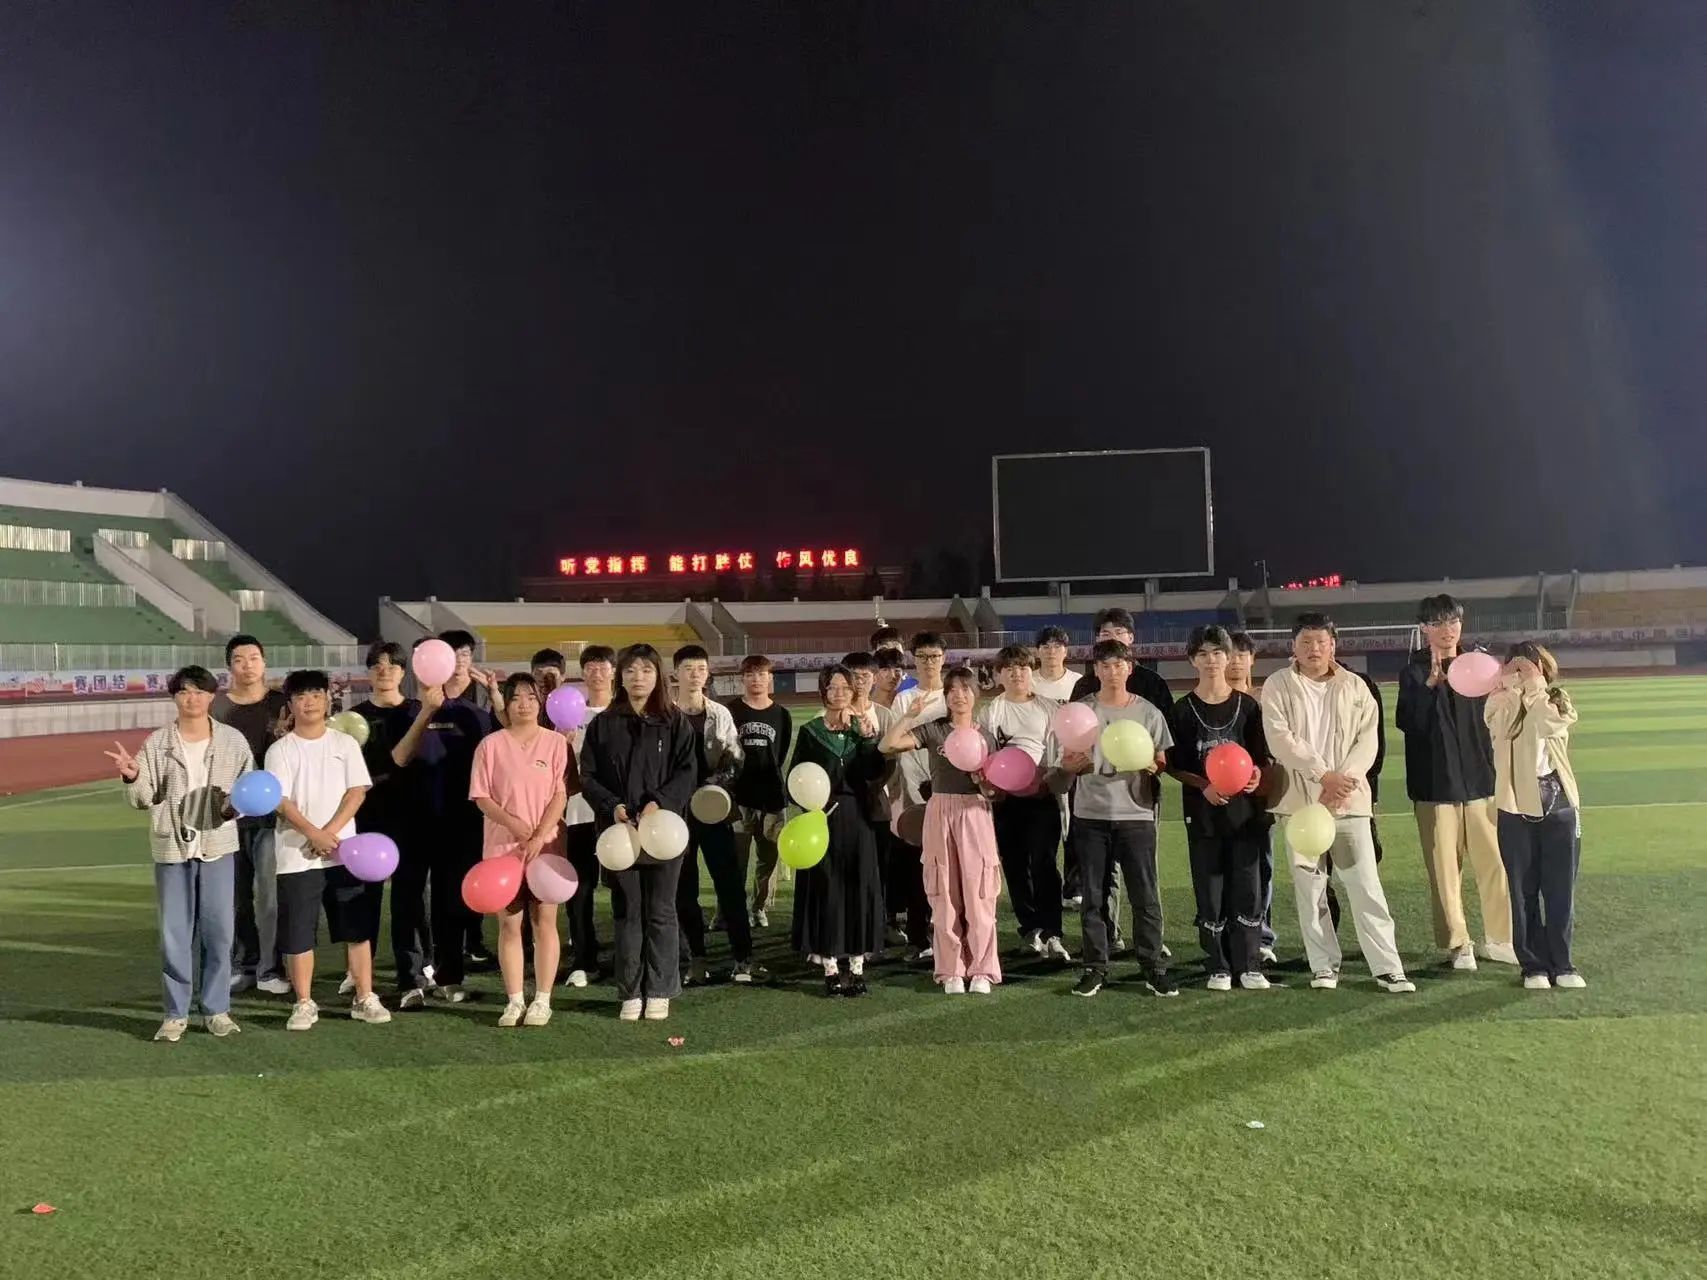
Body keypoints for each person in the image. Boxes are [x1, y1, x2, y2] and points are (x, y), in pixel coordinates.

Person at [1260, 614, 1415, 994]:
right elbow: (1280, 739)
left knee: (1365, 886)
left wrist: (1342, 780)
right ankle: (1323, 967)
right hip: (1301, 806)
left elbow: (1368, 740)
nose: (1313, 649)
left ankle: (1388, 968)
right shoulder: (1278, 684)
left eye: (1321, 641)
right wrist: (1321, 775)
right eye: (1306, 642)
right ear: (1293, 647)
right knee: (1310, 891)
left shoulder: (1355, 685)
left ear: (1333, 645)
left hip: (1349, 801)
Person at [107, 666, 255, 1041]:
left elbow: (248, 790)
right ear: (174, 697)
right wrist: (131, 775)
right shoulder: (158, 743)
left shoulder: (232, 741)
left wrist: (234, 808)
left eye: (199, 692)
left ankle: (216, 1010)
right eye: (184, 692)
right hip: (172, 850)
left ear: (211, 696)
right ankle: (175, 1014)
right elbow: (143, 798)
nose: (192, 699)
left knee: (219, 933)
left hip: (218, 847)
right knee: (174, 936)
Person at [264, 670, 390, 1030]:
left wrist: (329, 835)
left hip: (344, 853)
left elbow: (357, 792)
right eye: (301, 696)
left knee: (356, 929)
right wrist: (312, 833)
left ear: (327, 700)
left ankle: (364, 996)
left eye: (316, 695)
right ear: (290, 705)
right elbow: (280, 800)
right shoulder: (280, 750)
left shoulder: (344, 744)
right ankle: (304, 1002)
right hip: (296, 855)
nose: (310, 703)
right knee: (298, 934)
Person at [1397, 594, 1517, 971]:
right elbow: (1408, 723)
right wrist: (1430, 685)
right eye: (1438, 623)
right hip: (1435, 787)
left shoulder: (1481, 668)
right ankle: (1458, 943)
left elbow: (1498, 722)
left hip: (1482, 783)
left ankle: (1500, 939)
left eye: (1453, 621)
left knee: (1495, 864)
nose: (1447, 630)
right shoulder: (1413, 672)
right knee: (1445, 871)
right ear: (1424, 629)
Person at [580, 644, 698, 1021]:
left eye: (646, 670)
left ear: (658, 675)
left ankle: (661, 988)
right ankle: (631, 990)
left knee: (661, 910)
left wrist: (659, 803)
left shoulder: (674, 721)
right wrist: (612, 805)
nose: (638, 678)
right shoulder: (603, 724)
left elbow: (687, 772)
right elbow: (588, 776)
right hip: (620, 833)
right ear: (621, 676)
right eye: (630, 670)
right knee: (628, 911)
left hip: (664, 832)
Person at [1053, 639, 1176, 998]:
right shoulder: (1081, 711)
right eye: (1104, 666)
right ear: (1096, 670)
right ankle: (1095, 967)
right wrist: (1071, 766)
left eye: (1118, 665)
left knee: (1145, 896)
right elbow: (1068, 760)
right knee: (1093, 897)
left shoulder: (1148, 712)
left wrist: (1153, 766)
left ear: (1129, 668)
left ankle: (1152, 966)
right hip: (1091, 815)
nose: (1111, 672)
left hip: (1136, 814)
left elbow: (1161, 760)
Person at [882, 665, 1003, 994]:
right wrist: (909, 715)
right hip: (940, 811)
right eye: (952, 690)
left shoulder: (986, 736)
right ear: (946, 696)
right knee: (943, 893)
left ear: (975, 694)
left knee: (979, 893)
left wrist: (983, 782)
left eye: (965, 689)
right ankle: (950, 969)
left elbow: (995, 792)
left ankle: (982, 969)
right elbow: (887, 745)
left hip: (975, 813)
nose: (959, 695)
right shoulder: (934, 729)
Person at [1166, 626, 1274, 991]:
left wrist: (1256, 775)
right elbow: (1174, 764)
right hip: (1204, 816)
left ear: (1228, 658)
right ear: (1192, 660)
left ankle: (1250, 963)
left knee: (1248, 888)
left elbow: (1261, 760)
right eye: (1203, 654)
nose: (1211, 660)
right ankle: (1218, 965)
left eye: (1217, 653)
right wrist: (1204, 786)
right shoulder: (1182, 710)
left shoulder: (1249, 707)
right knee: (1210, 890)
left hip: (1244, 815)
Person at [349, 642, 446, 1008]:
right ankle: (362, 978)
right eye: (377, 665)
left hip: (413, 819)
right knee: (365, 901)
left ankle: (412, 977)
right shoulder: (353, 718)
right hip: (368, 819)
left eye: (392, 665)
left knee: (410, 900)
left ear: (404, 672)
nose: (384, 671)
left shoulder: (421, 711)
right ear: (368, 672)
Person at [469, 672, 570, 1026]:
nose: (523, 705)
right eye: (515, 698)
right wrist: (514, 824)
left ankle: (542, 999)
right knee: (510, 925)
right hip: (503, 849)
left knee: (545, 922)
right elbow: (481, 796)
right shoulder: (490, 745)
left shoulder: (555, 743)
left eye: (530, 697)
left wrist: (540, 835)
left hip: (546, 846)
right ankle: (514, 1000)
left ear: (540, 703)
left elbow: (559, 794)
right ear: (505, 704)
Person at [1485, 643, 1584, 991]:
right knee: (1522, 890)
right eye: (1516, 666)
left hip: (1560, 805)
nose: (1522, 672)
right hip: (1514, 807)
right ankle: (1533, 966)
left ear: (1543, 667)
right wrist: (1513, 688)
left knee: (1560, 891)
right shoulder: (1498, 701)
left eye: (1529, 665)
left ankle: (1563, 963)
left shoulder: (1557, 699)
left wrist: (1534, 686)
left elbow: (1550, 724)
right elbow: (1504, 733)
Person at [793, 664, 889, 994]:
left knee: (859, 885)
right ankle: (831, 967)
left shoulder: (862, 729)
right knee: (827, 888)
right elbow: (797, 777)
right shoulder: (810, 732)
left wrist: (868, 739)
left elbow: (874, 773)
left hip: (859, 816)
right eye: (832, 687)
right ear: (823, 691)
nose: (839, 693)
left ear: (853, 691)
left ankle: (858, 967)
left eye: (845, 687)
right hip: (822, 819)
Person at [411, 636, 498, 999]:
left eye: (462, 654)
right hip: (418, 819)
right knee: (414, 900)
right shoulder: (413, 711)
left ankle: (450, 973)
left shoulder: (476, 715)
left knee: (454, 898)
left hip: (463, 820)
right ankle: (414, 973)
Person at [976, 644, 1071, 961]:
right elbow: (984, 754)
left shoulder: (1049, 708)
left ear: (1032, 671)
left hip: (1042, 797)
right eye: (1009, 669)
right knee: (1015, 865)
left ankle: (1053, 932)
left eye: (1023, 667)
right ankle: (1030, 929)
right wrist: (993, 785)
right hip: (1006, 801)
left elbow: (1061, 752)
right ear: (999, 674)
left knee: (1044, 864)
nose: (1017, 674)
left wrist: (1046, 781)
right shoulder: (992, 711)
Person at [671, 645, 757, 984]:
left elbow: (735, 758)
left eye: (700, 668)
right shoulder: (665, 715)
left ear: (708, 674)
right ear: (675, 674)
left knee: (729, 884)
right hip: (677, 814)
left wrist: (712, 786)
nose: (695, 674)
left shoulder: (719, 713)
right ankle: (696, 959)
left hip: (713, 809)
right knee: (684, 888)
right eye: (688, 668)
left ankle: (743, 957)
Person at [210, 634, 291, 995]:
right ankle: (244, 964)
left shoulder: (281, 704)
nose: (247, 665)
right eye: (239, 659)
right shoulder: (217, 709)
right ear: (230, 666)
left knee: (270, 897)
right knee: (236, 897)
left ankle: (271, 969)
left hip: (274, 815)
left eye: (254, 658)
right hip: (230, 816)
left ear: (264, 662)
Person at [439, 627, 504, 965]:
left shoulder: (483, 705)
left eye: (465, 653)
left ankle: (473, 940)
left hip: (476, 806)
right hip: (435, 805)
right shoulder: (427, 703)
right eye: (453, 654)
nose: (460, 660)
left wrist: (495, 695)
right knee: (443, 880)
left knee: (474, 871)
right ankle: (442, 947)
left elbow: (508, 736)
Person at [888, 631, 951, 962]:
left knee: (949, 869)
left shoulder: (953, 694)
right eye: (923, 657)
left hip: (950, 792)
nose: (929, 663)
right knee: (918, 868)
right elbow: (896, 742)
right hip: (915, 793)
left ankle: (949, 934)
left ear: (944, 658)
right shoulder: (904, 699)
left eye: (935, 656)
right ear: (914, 660)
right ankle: (918, 936)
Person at [561, 643, 616, 988]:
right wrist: (562, 743)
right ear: (582, 673)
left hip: (616, 813)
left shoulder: (623, 712)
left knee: (623, 887)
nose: (596, 673)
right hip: (578, 813)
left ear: (613, 671)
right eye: (590, 667)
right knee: (579, 890)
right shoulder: (570, 714)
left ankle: (628, 954)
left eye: (603, 666)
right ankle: (584, 959)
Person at [726, 653, 792, 930]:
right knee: (735, 860)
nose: (756, 679)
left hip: (772, 798)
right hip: (738, 798)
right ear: (742, 679)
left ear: (770, 678)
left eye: (762, 674)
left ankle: (758, 907)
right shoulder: (730, 711)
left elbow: (781, 754)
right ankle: (729, 910)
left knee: (768, 860)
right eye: (750, 674)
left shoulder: (781, 714)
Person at [1225, 629, 1278, 963]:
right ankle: (1228, 933)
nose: (1234, 662)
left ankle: (1262, 936)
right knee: (1224, 870)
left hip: (1259, 799)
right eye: (1229, 655)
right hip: (1220, 801)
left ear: (1252, 660)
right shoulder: (1212, 701)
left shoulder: (1264, 700)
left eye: (1241, 655)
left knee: (1261, 868)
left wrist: (1263, 772)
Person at [1032, 625, 1080, 701]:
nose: (1051, 651)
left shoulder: (1078, 681)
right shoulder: (1027, 681)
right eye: (1046, 647)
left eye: (1057, 646)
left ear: (1065, 651)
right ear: (1037, 652)